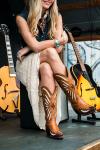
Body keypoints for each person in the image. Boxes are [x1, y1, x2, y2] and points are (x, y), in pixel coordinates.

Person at [16, 0, 94, 140]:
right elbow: (42, 47)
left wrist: (32, 46)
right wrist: (37, 46)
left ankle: (51, 123)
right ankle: (76, 99)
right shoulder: (21, 18)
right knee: (50, 53)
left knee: (46, 67)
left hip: (45, 61)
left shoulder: (56, 16)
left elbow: (57, 48)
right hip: (26, 62)